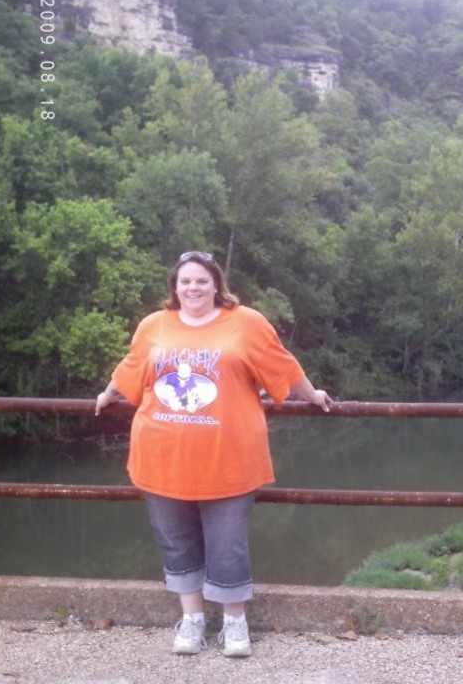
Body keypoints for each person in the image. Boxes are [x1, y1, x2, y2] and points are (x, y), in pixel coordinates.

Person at [95, 251, 332, 658]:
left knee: (228, 544)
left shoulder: (247, 323)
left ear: (216, 285)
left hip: (230, 458)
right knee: (176, 542)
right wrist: (107, 393)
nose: (193, 288)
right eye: (185, 281)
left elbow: (283, 366)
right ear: (175, 286)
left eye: (201, 281)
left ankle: (234, 623)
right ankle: (192, 620)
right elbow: (131, 368)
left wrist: (312, 394)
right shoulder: (154, 325)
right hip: (162, 457)